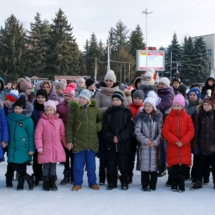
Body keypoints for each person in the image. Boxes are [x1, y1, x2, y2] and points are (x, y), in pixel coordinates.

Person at [95, 70, 127, 185]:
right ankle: (102, 176)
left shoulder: (120, 92)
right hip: (104, 126)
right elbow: (96, 109)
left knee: (117, 154)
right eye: (107, 80)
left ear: (114, 81)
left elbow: (125, 108)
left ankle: (114, 173)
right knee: (104, 153)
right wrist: (108, 109)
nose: (108, 83)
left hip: (118, 127)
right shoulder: (99, 93)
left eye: (110, 81)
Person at [66, 89, 103, 191]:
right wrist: (69, 141)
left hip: (92, 141)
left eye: (84, 98)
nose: (82, 100)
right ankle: (77, 183)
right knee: (78, 165)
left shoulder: (94, 108)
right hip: (78, 142)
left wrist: (97, 127)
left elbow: (100, 120)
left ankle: (93, 182)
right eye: (81, 98)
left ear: (88, 100)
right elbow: (69, 125)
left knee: (91, 165)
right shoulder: (74, 109)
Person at [162, 94, 194, 192]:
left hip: (184, 146)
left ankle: (181, 184)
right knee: (174, 166)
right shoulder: (169, 117)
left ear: (182, 106)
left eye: (178, 105)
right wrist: (175, 141)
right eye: (174, 105)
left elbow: (191, 131)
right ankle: (174, 183)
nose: (176, 107)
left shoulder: (187, 117)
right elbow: (165, 131)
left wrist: (183, 141)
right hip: (173, 146)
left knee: (182, 167)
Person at [103, 91, 133, 190]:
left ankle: (124, 182)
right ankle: (112, 182)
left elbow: (129, 128)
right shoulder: (108, 112)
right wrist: (111, 137)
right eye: (113, 100)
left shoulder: (126, 112)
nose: (115, 102)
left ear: (122, 101)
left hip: (124, 143)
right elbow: (105, 127)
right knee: (111, 165)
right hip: (111, 143)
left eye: (117, 100)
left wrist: (120, 137)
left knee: (124, 164)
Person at [35, 100, 66, 191]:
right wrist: (39, 146)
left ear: (54, 110)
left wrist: (65, 144)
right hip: (45, 147)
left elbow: (62, 134)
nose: (49, 112)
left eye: (51, 110)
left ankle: (52, 182)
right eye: (47, 110)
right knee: (46, 166)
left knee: (53, 166)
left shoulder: (59, 121)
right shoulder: (42, 121)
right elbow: (38, 135)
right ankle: (46, 182)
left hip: (56, 147)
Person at [7, 93, 35, 190]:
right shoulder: (10, 118)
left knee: (22, 164)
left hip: (23, 145)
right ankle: (28, 177)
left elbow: (31, 135)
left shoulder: (28, 120)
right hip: (12, 145)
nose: (17, 110)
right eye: (16, 108)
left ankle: (21, 183)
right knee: (12, 162)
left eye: (19, 108)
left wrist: (31, 148)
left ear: (23, 109)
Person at [135, 95, 163, 191]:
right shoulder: (140, 118)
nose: (147, 108)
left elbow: (160, 132)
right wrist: (146, 140)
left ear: (153, 107)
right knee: (145, 166)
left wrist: (155, 142)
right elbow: (137, 131)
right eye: (145, 106)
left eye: (149, 106)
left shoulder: (158, 118)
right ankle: (144, 184)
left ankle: (153, 184)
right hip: (144, 146)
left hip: (154, 147)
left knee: (154, 166)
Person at [191, 97, 215, 190]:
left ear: (212, 106)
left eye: (208, 105)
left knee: (214, 166)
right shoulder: (199, 115)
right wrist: (196, 146)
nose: (206, 106)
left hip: (213, 147)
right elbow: (196, 132)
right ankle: (198, 181)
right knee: (200, 165)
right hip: (202, 146)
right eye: (204, 104)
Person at [57, 83, 76, 185]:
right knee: (65, 156)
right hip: (63, 134)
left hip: (73, 134)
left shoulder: (76, 106)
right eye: (65, 96)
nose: (67, 98)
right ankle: (66, 174)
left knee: (73, 156)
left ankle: (73, 174)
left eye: (69, 96)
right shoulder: (60, 106)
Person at [156, 77, 174, 180]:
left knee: (163, 147)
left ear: (167, 85)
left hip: (165, 124)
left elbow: (161, 107)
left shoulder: (168, 95)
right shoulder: (158, 93)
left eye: (163, 84)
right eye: (160, 84)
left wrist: (153, 106)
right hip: (158, 123)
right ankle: (161, 166)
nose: (161, 85)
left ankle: (164, 167)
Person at [185, 88, 204, 182]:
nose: (192, 97)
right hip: (187, 132)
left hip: (198, 133)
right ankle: (186, 172)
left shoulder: (201, 106)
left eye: (194, 95)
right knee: (187, 153)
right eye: (190, 95)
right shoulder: (186, 105)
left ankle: (196, 173)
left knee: (198, 154)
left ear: (198, 96)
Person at [31, 89, 48, 186]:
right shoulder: (33, 109)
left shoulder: (49, 109)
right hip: (36, 137)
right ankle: (37, 175)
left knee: (46, 157)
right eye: (39, 97)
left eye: (42, 97)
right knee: (36, 158)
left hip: (47, 137)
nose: (40, 99)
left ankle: (46, 175)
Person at [128, 90, 144, 183]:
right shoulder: (128, 108)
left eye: (139, 98)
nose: (137, 100)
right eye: (135, 98)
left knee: (143, 157)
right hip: (131, 136)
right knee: (130, 157)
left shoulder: (145, 108)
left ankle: (144, 177)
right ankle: (129, 175)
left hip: (142, 136)